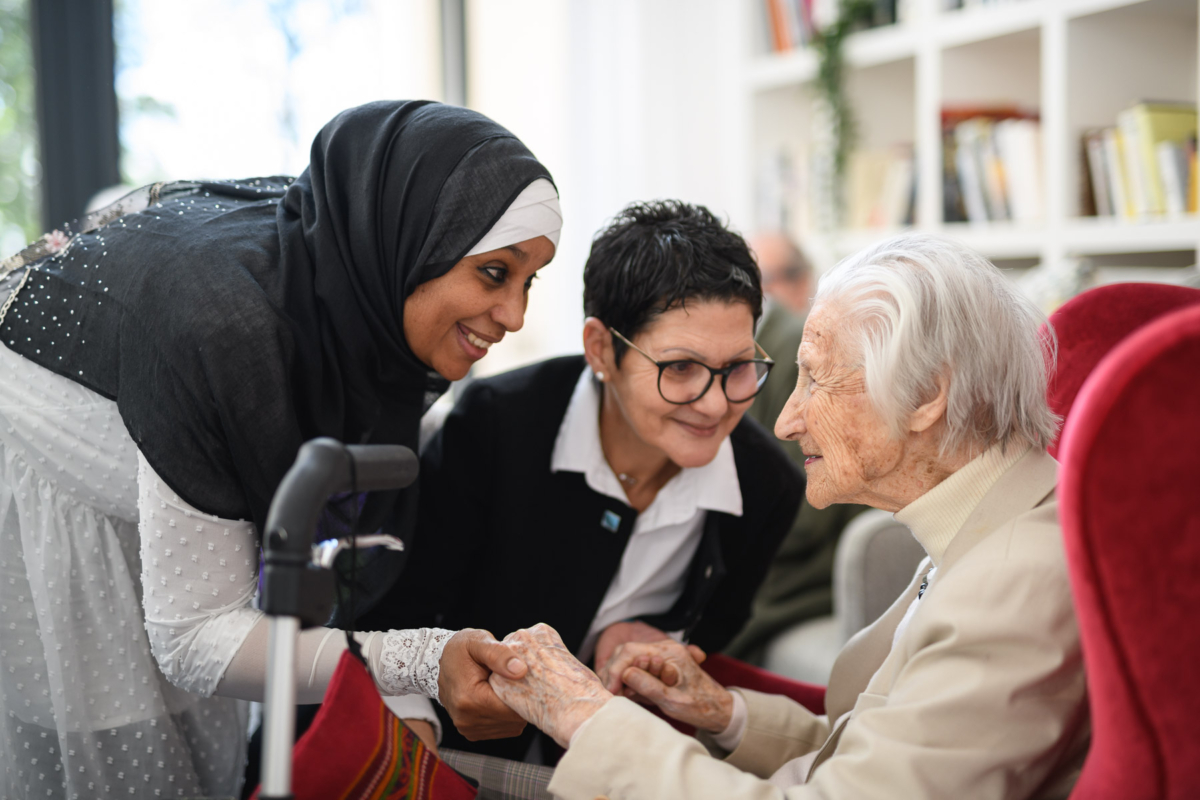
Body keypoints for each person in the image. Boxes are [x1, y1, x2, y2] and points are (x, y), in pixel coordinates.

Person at [0, 100, 561, 799]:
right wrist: (421, 662)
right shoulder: (225, 330)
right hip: (57, 496)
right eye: (494, 273)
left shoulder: (364, 296)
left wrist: (408, 698)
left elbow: (334, 542)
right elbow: (195, 637)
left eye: (529, 279)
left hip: (170, 486)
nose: (515, 316)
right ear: (414, 239)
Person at [487, 233, 1091, 799]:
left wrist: (584, 716)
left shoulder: (1011, 587)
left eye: (816, 377)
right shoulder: (985, 531)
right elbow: (870, 756)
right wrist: (724, 712)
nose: (784, 421)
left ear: (928, 395)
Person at [360, 200, 804, 762]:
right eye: (681, 369)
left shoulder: (766, 487)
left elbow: (717, 626)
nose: (716, 404)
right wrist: (414, 743)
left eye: (738, 367)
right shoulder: (496, 426)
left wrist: (667, 642)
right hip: (449, 745)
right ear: (600, 348)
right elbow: (401, 609)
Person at [726, 232, 866, 665]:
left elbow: (805, 511)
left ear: (804, 280)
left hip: (811, 564)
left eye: (767, 280)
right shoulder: (758, 344)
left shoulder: (790, 347)